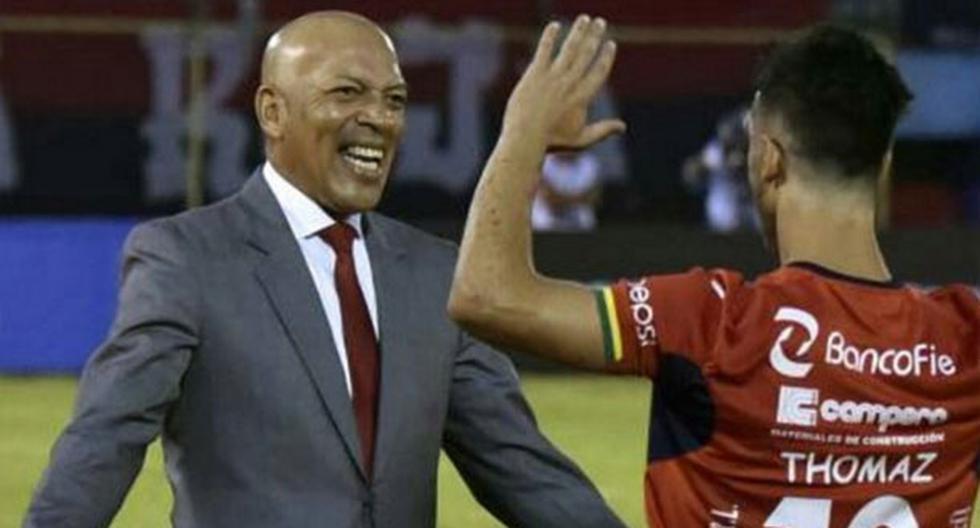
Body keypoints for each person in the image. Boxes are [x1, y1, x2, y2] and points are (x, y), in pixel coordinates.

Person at [25, 11, 624, 528]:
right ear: (272, 111)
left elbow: (526, 474)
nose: (379, 119)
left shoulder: (437, 276)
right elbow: (104, 440)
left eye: (394, 101)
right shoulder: (186, 258)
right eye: (346, 93)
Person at [450, 17, 980, 527]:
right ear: (883, 164)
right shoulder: (964, 338)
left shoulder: (710, 322)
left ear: (769, 160)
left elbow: (485, 296)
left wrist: (524, 133)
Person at [532, 151, 602, 231]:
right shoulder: (540, 162)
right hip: (547, 219)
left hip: (578, 218)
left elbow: (595, 197)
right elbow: (552, 201)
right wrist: (581, 198)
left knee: (587, 219)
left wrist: (562, 198)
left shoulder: (589, 162)